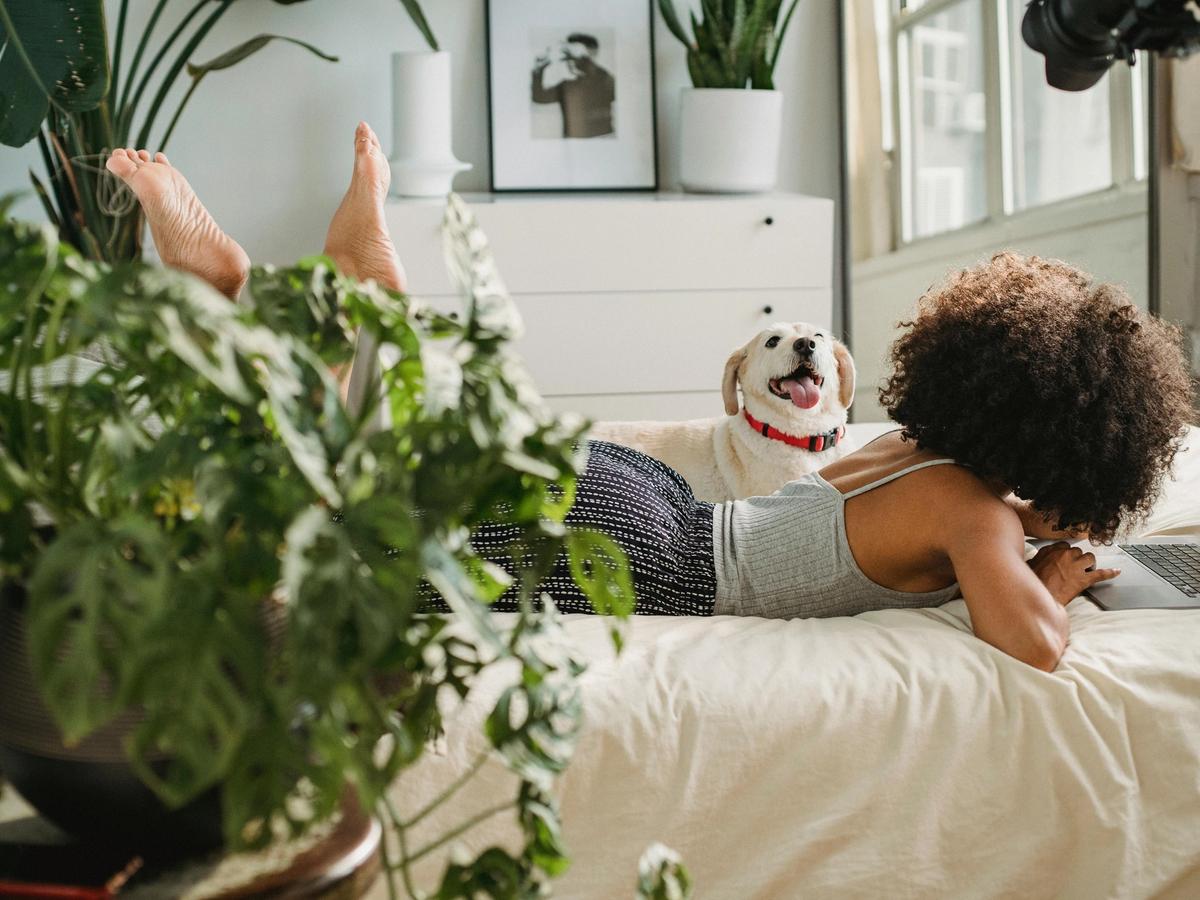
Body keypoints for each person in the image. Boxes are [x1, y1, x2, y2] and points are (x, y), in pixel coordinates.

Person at [105, 123, 1197, 672]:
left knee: (423, 467)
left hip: (643, 494)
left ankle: (364, 302)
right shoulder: (977, 514)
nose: (1079, 525)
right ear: (1053, 465)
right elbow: (1039, 649)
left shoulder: (900, 443)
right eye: (1080, 502)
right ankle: (247, 303)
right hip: (652, 562)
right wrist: (1049, 573)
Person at [531, 33, 615, 139]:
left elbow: (603, 84)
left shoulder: (604, 79)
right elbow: (539, 97)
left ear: (592, 55)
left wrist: (583, 60)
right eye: (569, 58)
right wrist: (538, 71)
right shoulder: (568, 85)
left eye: (575, 56)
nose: (570, 61)